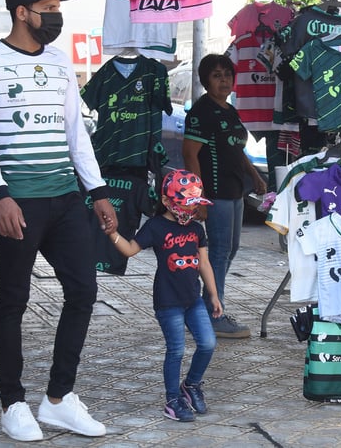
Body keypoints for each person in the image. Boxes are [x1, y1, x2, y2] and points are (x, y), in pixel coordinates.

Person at [0, 0, 119, 442]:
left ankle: (58, 399)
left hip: (65, 198)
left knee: (84, 291)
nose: (56, 15)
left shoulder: (58, 62)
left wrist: (96, 192)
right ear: (22, 13)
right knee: (13, 300)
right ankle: (12, 403)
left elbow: (75, 131)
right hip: (18, 200)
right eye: (48, 8)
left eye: (58, 7)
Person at [109, 169, 221, 421]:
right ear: (167, 201)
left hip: (194, 299)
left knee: (208, 343)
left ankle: (191, 385)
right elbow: (129, 250)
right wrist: (112, 233)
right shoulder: (155, 226)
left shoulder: (196, 228)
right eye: (185, 204)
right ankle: (173, 400)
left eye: (194, 205)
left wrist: (213, 295)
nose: (191, 211)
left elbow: (204, 264)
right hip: (168, 301)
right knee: (176, 350)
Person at [182, 54, 266, 339]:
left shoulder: (230, 110)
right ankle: (212, 315)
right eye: (217, 75)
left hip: (234, 191)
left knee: (230, 250)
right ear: (206, 80)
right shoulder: (200, 112)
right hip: (214, 193)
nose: (224, 80)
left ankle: (207, 304)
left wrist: (254, 175)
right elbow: (190, 154)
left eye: (227, 75)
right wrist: (198, 197)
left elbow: (236, 148)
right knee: (218, 252)